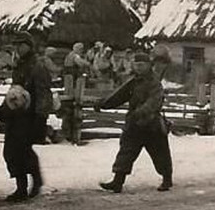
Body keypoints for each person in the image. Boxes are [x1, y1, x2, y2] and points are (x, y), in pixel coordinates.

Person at [99, 51, 173, 193]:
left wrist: (140, 112)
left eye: (141, 65)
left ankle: (167, 180)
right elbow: (120, 96)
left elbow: (154, 102)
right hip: (134, 124)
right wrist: (104, 104)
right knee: (126, 152)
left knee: (160, 153)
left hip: (152, 125)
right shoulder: (134, 81)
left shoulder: (154, 83)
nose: (138, 67)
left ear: (148, 65)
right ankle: (117, 181)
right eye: (136, 64)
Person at [5, 32, 52, 200]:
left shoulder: (38, 66)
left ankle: (33, 182)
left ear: (29, 46)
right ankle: (21, 187)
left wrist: (41, 117)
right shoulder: (19, 64)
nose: (18, 48)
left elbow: (43, 93)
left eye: (21, 45)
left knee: (23, 150)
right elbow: (15, 89)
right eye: (16, 45)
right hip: (16, 114)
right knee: (11, 151)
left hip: (31, 115)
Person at [61, 42, 88, 145]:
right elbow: (80, 63)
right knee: (72, 97)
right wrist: (87, 63)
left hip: (69, 78)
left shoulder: (69, 55)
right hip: (72, 79)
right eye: (80, 49)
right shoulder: (75, 55)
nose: (81, 50)